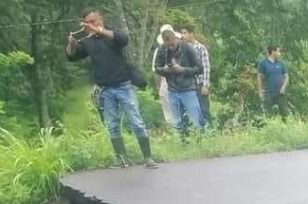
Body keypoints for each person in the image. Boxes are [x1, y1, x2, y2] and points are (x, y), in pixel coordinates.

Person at [66, 9, 156, 168]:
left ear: (100, 19)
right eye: (88, 22)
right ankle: (122, 160)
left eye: (94, 21)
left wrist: (99, 30)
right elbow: (72, 56)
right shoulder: (87, 41)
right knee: (113, 125)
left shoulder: (112, 34)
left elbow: (124, 39)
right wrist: (71, 44)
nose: (92, 25)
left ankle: (148, 158)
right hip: (105, 90)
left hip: (124, 86)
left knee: (136, 122)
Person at [154, 28, 204, 139]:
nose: (170, 47)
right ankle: (182, 144)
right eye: (168, 45)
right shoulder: (162, 50)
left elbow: (200, 68)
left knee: (195, 120)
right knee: (177, 122)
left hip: (188, 89)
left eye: (172, 44)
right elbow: (157, 68)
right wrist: (165, 70)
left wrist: (183, 70)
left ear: (175, 39)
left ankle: (200, 143)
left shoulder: (187, 48)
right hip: (172, 90)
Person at [180, 25, 212, 128]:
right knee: (191, 110)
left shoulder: (200, 48)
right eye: (182, 33)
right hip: (188, 85)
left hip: (200, 83)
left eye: (185, 33)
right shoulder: (182, 48)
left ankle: (209, 131)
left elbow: (206, 66)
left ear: (191, 34)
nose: (183, 35)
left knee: (204, 109)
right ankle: (197, 132)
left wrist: (205, 85)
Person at [151, 24, 177, 125]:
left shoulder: (181, 47)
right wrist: (159, 87)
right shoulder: (159, 50)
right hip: (166, 81)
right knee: (169, 113)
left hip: (182, 81)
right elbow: (156, 70)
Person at [257, 46, 289, 118]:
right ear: (273, 52)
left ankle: (285, 127)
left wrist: (283, 88)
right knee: (268, 114)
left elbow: (286, 77)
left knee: (284, 113)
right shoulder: (263, 64)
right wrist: (260, 92)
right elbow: (259, 78)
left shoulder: (281, 63)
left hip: (280, 93)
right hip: (268, 92)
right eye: (278, 51)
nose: (280, 54)